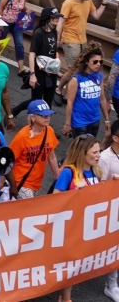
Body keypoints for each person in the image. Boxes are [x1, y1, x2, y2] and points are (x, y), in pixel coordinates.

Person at [53, 134, 118, 302]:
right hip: (70, 228)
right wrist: (75, 194)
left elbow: (97, 194)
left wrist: (111, 184)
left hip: (86, 226)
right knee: (70, 264)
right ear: (83, 152)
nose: (99, 155)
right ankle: (65, 299)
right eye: (95, 152)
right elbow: (54, 200)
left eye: (99, 151)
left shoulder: (95, 171)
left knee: (76, 265)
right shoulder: (69, 172)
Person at [55, 0, 107, 106]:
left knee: (80, 68)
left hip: (82, 39)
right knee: (75, 69)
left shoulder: (88, 1)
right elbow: (61, 22)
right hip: (70, 39)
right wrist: (57, 39)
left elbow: (96, 16)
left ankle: (67, 94)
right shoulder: (69, 3)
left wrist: (104, 4)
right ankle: (59, 89)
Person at [13, 7, 63, 116]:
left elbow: (53, 53)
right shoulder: (39, 33)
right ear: (47, 18)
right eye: (55, 17)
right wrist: (32, 74)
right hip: (39, 72)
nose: (57, 19)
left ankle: (45, 126)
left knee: (48, 101)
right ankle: (15, 110)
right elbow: (32, 54)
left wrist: (57, 71)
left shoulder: (54, 32)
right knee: (36, 101)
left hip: (51, 73)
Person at [8, 100, 60, 199]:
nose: (47, 118)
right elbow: (9, 161)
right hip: (21, 182)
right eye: (43, 116)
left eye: (49, 115)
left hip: (36, 183)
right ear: (33, 118)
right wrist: (10, 185)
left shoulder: (49, 131)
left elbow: (51, 156)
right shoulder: (22, 137)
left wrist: (58, 176)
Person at [63, 42, 110, 137]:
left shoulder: (99, 76)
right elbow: (70, 103)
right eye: (95, 61)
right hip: (79, 122)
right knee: (80, 150)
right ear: (86, 62)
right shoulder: (76, 79)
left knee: (90, 148)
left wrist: (107, 120)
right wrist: (68, 124)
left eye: (100, 62)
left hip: (95, 120)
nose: (98, 64)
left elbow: (102, 99)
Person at [0, 0, 32, 74]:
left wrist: (26, 9)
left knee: (20, 44)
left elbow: (21, 6)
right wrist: (0, 23)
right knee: (0, 43)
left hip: (17, 22)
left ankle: (21, 68)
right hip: (5, 21)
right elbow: (0, 7)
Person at [100, 121, 119, 302]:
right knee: (114, 248)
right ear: (115, 138)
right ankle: (111, 285)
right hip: (113, 211)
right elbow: (101, 188)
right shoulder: (105, 158)